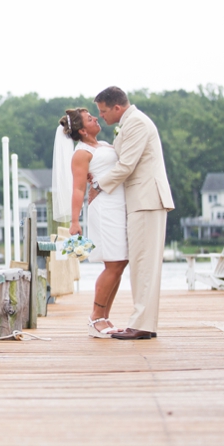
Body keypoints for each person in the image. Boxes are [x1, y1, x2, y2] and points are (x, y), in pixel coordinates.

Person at [89, 86, 174, 340]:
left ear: (117, 107)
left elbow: (127, 165)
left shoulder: (136, 123)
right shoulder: (130, 122)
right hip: (141, 200)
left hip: (147, 199)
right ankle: (143, 323)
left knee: (144, 264)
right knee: (140, 263)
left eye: (103, 111)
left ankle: (143, 324)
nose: (102, 116)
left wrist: (98, 185)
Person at [60, 107, 129, 338]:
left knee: (120, 262)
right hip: (105, 209)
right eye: (90, 119)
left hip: (119, 206)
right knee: (113, 263)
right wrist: (74, 221)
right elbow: (79, 188)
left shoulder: (104, 144)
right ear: (82, 130)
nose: (96, 119)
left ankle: (105, 316)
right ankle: (95, 317)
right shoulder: (81, 153)